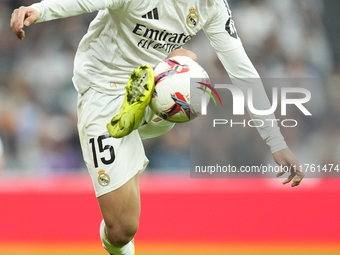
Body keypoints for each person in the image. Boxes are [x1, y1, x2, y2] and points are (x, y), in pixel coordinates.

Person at [10, 1, 305, 254]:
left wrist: (275, 142)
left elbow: (241, 70)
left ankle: (147, 121)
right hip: (104, 89)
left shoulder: (211, 5)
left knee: (190, 76)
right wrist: (39, 10)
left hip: (154, 86)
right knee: (122, 229)